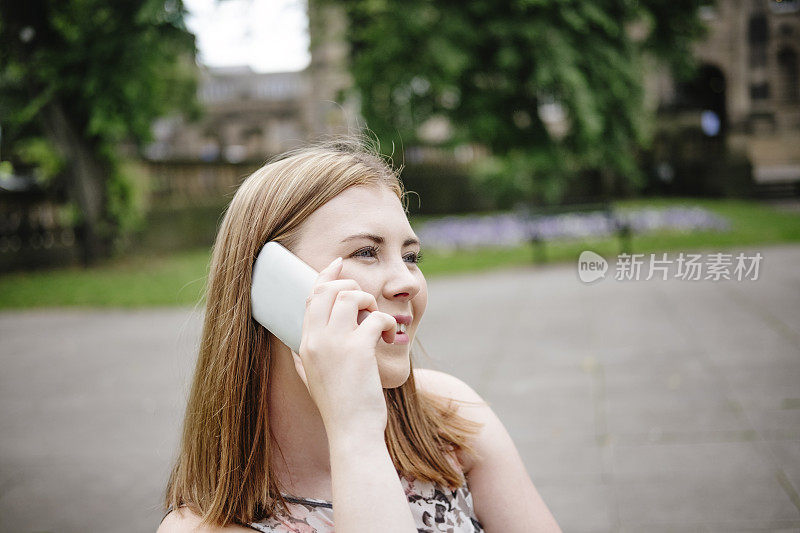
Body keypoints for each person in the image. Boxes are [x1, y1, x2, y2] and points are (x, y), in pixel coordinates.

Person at [157, 137, 561, 532]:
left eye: (410, 256)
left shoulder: (450, 422)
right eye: (366, 252)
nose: (409, 282)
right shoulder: (203, 527)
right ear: (270, 285)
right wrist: (354, 429)